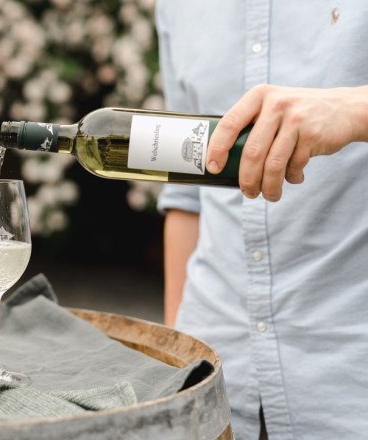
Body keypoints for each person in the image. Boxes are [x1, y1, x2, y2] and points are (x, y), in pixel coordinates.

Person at [155, 2, 368, 439]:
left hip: (348, 386)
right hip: (210, 386)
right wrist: (175, 356)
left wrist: (353, 108)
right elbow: (185, 195)